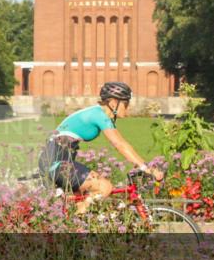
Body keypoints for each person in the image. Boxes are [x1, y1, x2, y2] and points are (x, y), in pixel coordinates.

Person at [39, 81, 163, 213]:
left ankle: (76, 221)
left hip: (58, 161)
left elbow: (122, 142)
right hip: (55, 163)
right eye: (126, 104)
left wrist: (141, 165)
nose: (128, 108)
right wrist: (146, 168)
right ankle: (77, 223)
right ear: (114, 103)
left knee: (84, 199)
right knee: (104, 187)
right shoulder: (99, 115)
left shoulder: (99, 114)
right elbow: (119, 144)